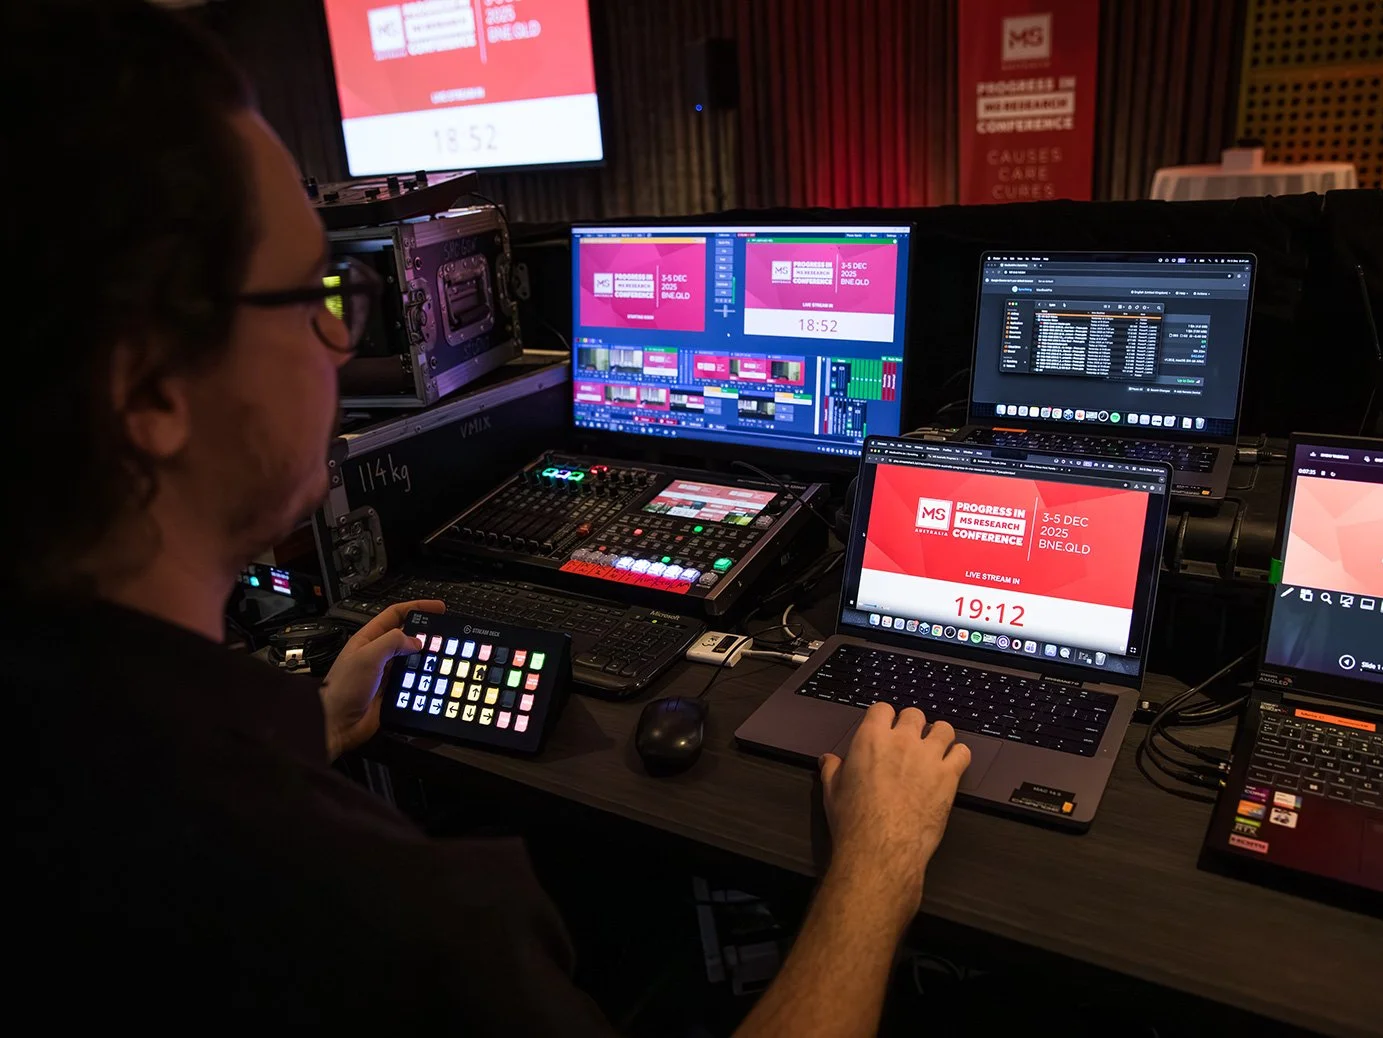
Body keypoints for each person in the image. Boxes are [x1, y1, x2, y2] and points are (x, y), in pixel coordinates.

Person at [5, 3, 970, 1033]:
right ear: (152, 391)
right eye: (311, 297)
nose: (340, 345)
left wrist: (310, 735)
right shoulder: (401, 929)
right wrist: (877, 868)